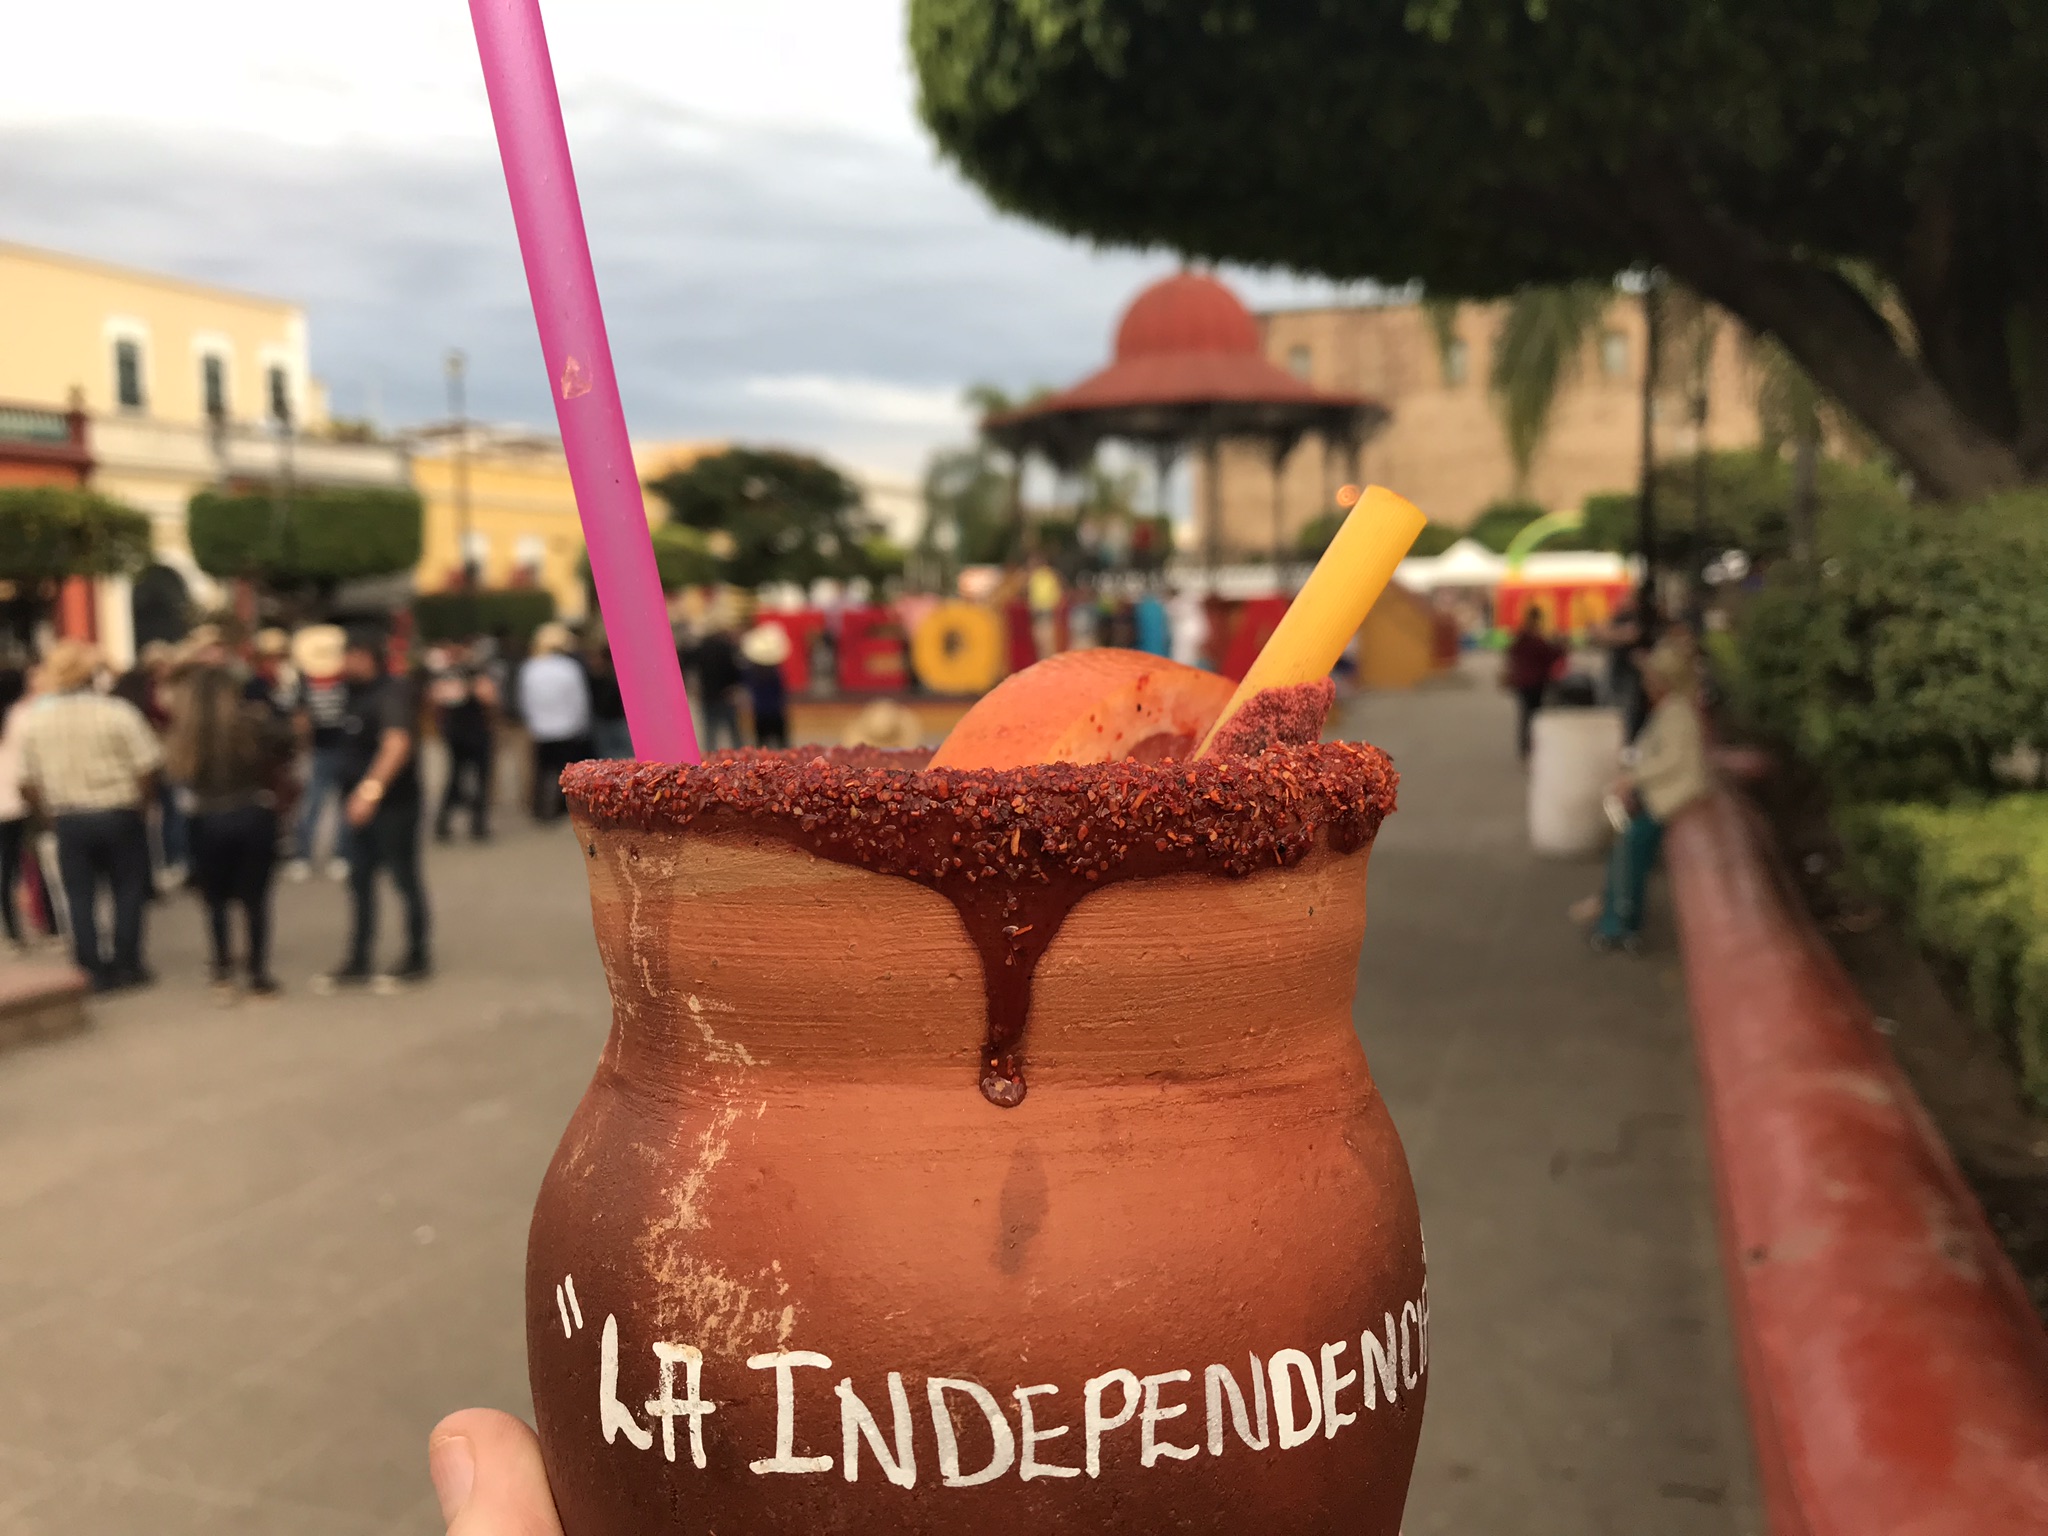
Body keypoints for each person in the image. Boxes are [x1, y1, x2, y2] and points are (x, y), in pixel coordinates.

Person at [16, 640, 162, 991]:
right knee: (127, 889)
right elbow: (147, 764)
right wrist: (143, 803)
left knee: (79, 895)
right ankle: (127, 963)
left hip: (69, 815)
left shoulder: (38, 721)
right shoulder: (117, 712)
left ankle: (92, 966)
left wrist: (46, 813)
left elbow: (26, 781)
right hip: (118, 809)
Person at [165, 662, 292, 998]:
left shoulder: (185, 734)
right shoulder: (251, 725)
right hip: (251, 810)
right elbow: (288, 744)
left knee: (215, 900)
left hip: (205, 817)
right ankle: (258, 974)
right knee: (255, 900)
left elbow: (177, 775)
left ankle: (222, 970)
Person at [315, 630, 431, 992]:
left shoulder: (391, 692)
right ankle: (359, 958)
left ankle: (416, 956)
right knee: (359, 881)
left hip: (393, 804)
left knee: (403, 877)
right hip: (356, 803)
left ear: (365, 655)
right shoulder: (351, 694)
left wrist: (370, 791)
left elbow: (397, 743)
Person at [1587, 643, 1711, 953]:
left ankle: (1619, 923)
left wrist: (1632, 778)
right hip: (1659, 795)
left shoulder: (1677, 714)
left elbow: (1672, 760)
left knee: (1628, 854)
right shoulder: (1672, 710)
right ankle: (1615, 915)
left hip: (1666, 799)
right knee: (1624, 851)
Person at [288, 625, 355, 882]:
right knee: (313, 804)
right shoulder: (304, 682)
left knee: (342, 805)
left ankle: (342, 854)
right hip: (320, 750)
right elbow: (300, 717)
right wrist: (301, 745)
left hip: (345, 748)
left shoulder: (347, 681)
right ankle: (303, 855)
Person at [517, 623, 591, 821]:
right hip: (567, 728)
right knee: (565, 772)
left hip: (540, 728)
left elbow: (525, 699)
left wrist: (532, 722)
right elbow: (579, 700)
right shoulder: (569, 668)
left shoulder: (530, 667)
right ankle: (562, 807)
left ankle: (540, 809)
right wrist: (582, 725)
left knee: (542, 771)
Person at [429, 640, 498, 841]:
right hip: (473, 732)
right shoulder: (474, 674)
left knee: (455, 778)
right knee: (476, 779)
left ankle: (446, 823)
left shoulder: (446, 675)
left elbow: (435, 701)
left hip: (457, 732)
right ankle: (476, 825)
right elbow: (489, 698)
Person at [0, 664, 42, 951]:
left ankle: (12, 928)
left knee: (6, 868)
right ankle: (40, 921)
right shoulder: (24, 716)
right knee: (24, 862)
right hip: (19, 798)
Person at [1502, 606, 1564, 762]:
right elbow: (1550, 654)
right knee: (1535, 716)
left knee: (1525, 715)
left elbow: (1510, 653)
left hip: (1522, 681)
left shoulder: (1521, 636)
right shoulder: (1536, 638)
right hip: (1536, 682)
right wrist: (1561, 645)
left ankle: (1525, 749)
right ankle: (1532, 748)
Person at [685, 626, 744, 752]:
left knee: (710, 732)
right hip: (726, 694)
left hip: (708, 695)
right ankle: (741, 755)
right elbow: (735, 670)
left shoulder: (700, 649)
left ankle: (709, 757)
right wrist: (735, 686)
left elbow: (689, 666)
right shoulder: (726, 648)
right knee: (733, 731)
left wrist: (693, 687)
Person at [738, 623, 791, 749]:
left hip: (760, 712)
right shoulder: (776, 672)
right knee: (782, 746)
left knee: (761, 747)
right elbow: (783, 689)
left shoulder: (751, 672)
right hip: (776, 711)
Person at [582, 640, 632, 760]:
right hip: (611, 720)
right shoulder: (617, 675)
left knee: (611, 754)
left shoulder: (601, 677)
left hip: (612, 720)